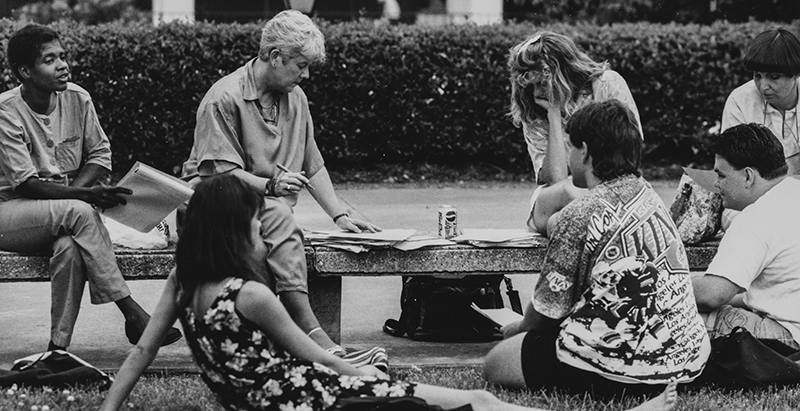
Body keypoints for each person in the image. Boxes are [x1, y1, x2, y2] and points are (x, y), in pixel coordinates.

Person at [99, 173, 679, 411]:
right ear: (232, 230)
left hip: (280, 399)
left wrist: (108, 408)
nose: (261, 233)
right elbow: (321, 362)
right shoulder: (250, 296)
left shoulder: (185, 283)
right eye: (255, 224)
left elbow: (141, 354)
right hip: (314, 400)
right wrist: (378, 377)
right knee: (475, 403)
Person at [181, 10, 380, 360]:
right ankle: (310, 337)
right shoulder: (223, 97)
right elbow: (218, 176)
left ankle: (288, 341)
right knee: (269, 232)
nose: (305, 75)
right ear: (274, 57)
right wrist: (272, 186)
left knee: (274, 227)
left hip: (265, 213)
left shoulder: (296, 97)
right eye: (300, 65)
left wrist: (340, 216)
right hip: (214, 208)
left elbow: (312, 164)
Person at [483, 100, 709, 400]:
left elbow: (546, 313)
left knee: (496, 362)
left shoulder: (579, 213)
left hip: (620, 366)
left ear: (585, 151)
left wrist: (517, 329)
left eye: (570, 147)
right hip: (686, 359)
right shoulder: (648, 194)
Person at [0, 24, 181, 351]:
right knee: (79, 212)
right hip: (10, 215)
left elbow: (100, 154)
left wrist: (80, 194)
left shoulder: (77, 98)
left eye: (63, 56)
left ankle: (58, 350)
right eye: (49, 59)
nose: (63, 65)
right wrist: (85, 197)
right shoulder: (5, 111)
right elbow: (26, 184)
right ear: (24, 72)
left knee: (70, 247)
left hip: (62, 213)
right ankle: (133, 313)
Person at [507, 31, 643, 236]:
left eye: (543, 83)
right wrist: (553, 112)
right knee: (566, 193)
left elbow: (630, 156)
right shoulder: (534, 111)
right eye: (531, 85)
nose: (536, 92)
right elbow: (556, 179)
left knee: (558, 223)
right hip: (561, 197)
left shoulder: (606, 85)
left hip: (610, 190)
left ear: (563, 73)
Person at [692, 123, 800, 351]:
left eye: (721, 174)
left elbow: (712, 294)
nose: (715, 183)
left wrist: (662, 286)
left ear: (748, 176)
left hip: (787, 337)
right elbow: (761, 294)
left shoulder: (757, 216)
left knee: (677, 318)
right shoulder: (792, 193)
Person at [721, 28, 800, 176]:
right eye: (757, 75)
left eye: (774, 77)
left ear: (796, 73)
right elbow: (734, 169)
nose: (763, 86)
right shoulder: (739, 101)